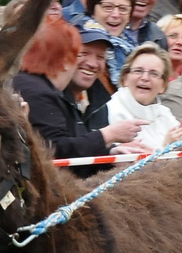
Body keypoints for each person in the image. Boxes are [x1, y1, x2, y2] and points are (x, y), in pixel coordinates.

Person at [12, 20, 144, 165]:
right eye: (80, 54)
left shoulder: (44, 89)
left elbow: (73, 147)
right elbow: (56, 151)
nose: (92, 63)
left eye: (100, 57)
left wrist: (110, 154)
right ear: (62, 58)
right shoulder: (36, 91)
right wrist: (109, 135)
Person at [104, 46, 182, 152]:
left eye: (153, 73)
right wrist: (167, 148)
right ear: (125, 78)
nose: (145, 78)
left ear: (163, 86)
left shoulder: (164, 113)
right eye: (138, 71)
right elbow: (130, 165)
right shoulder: (110, 110)